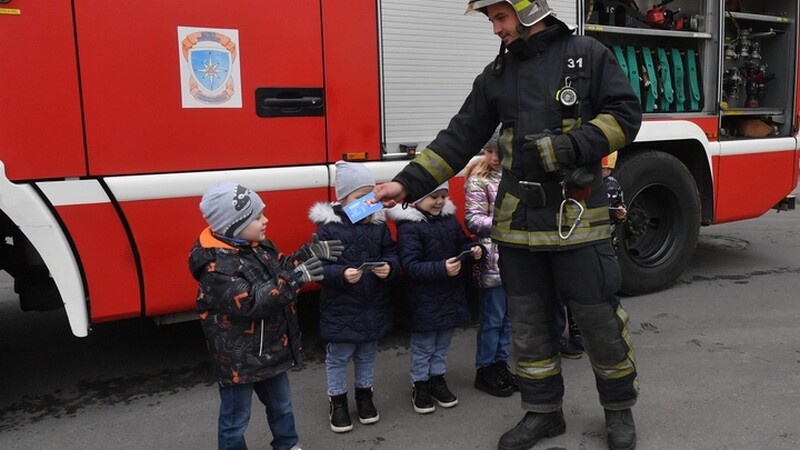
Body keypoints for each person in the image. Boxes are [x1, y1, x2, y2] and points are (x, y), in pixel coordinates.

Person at [372, 1, 642, 449]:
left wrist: (565, 148)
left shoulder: (588, 54)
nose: (495, 29)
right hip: (519, 224)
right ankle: (542, 413)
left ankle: (618, 411)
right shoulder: (498, 74)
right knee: (530, 325)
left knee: (599, 323)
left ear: (529, 10)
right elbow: (459, 137)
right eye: (491, 20)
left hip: (578, 219)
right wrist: (406, 183)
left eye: (500, 18)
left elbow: (625, 118)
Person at [189, 181, 341, 450]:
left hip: (271, 350)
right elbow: (251, 303)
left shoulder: (257, 245)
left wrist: (307, 254)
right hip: (239, 361)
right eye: (257, 217)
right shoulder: (217, 268)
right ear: (233, 225)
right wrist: (296, 278)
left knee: (282, 406)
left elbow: (280, 268)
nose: (265, 220)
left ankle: (288, 445)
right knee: (235, 419)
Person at [308, 161, 400, 433]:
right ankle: (337, 402)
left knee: (367, 354)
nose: (370, 202)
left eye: (372, 196)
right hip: (341, 307)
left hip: (372, 304)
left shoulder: (378, 226)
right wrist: (341, 275)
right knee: (338, 356)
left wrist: (390, 267)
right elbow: (318, 269)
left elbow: (391, 253)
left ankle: (364, 397)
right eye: (361, 198)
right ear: (343, 199)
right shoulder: (328, 229)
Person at [386, 181, 483, 414]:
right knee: (424, 344)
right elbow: (410, 266)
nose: (439, 201)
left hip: (449, 295)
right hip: (424, 299)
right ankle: (420, 383)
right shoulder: (409, 227)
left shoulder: (449, 220)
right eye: (433, 197)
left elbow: (462, 243)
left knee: (442, 343)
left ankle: (437, 378)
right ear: (417, 198)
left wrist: (474, 249)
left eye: (443, 196)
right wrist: (441, 268)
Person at [463, 131, 517, 397]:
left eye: (499, 151)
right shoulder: (478, 179)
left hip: (514, 258)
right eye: (488, 151)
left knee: (508, 319)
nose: (494, 157)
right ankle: (485, 368)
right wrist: (506, 226)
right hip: (492, 259)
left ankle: (500, 364)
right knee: (492, 319)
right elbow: (472, 220)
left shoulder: (513, 177)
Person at [602, 151, 628, 251]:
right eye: (602, 168)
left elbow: (619, 206)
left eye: (609, 169)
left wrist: (620, 215)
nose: (605, 172)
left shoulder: (612, 185)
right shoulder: (584, 183)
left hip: (608, 239)